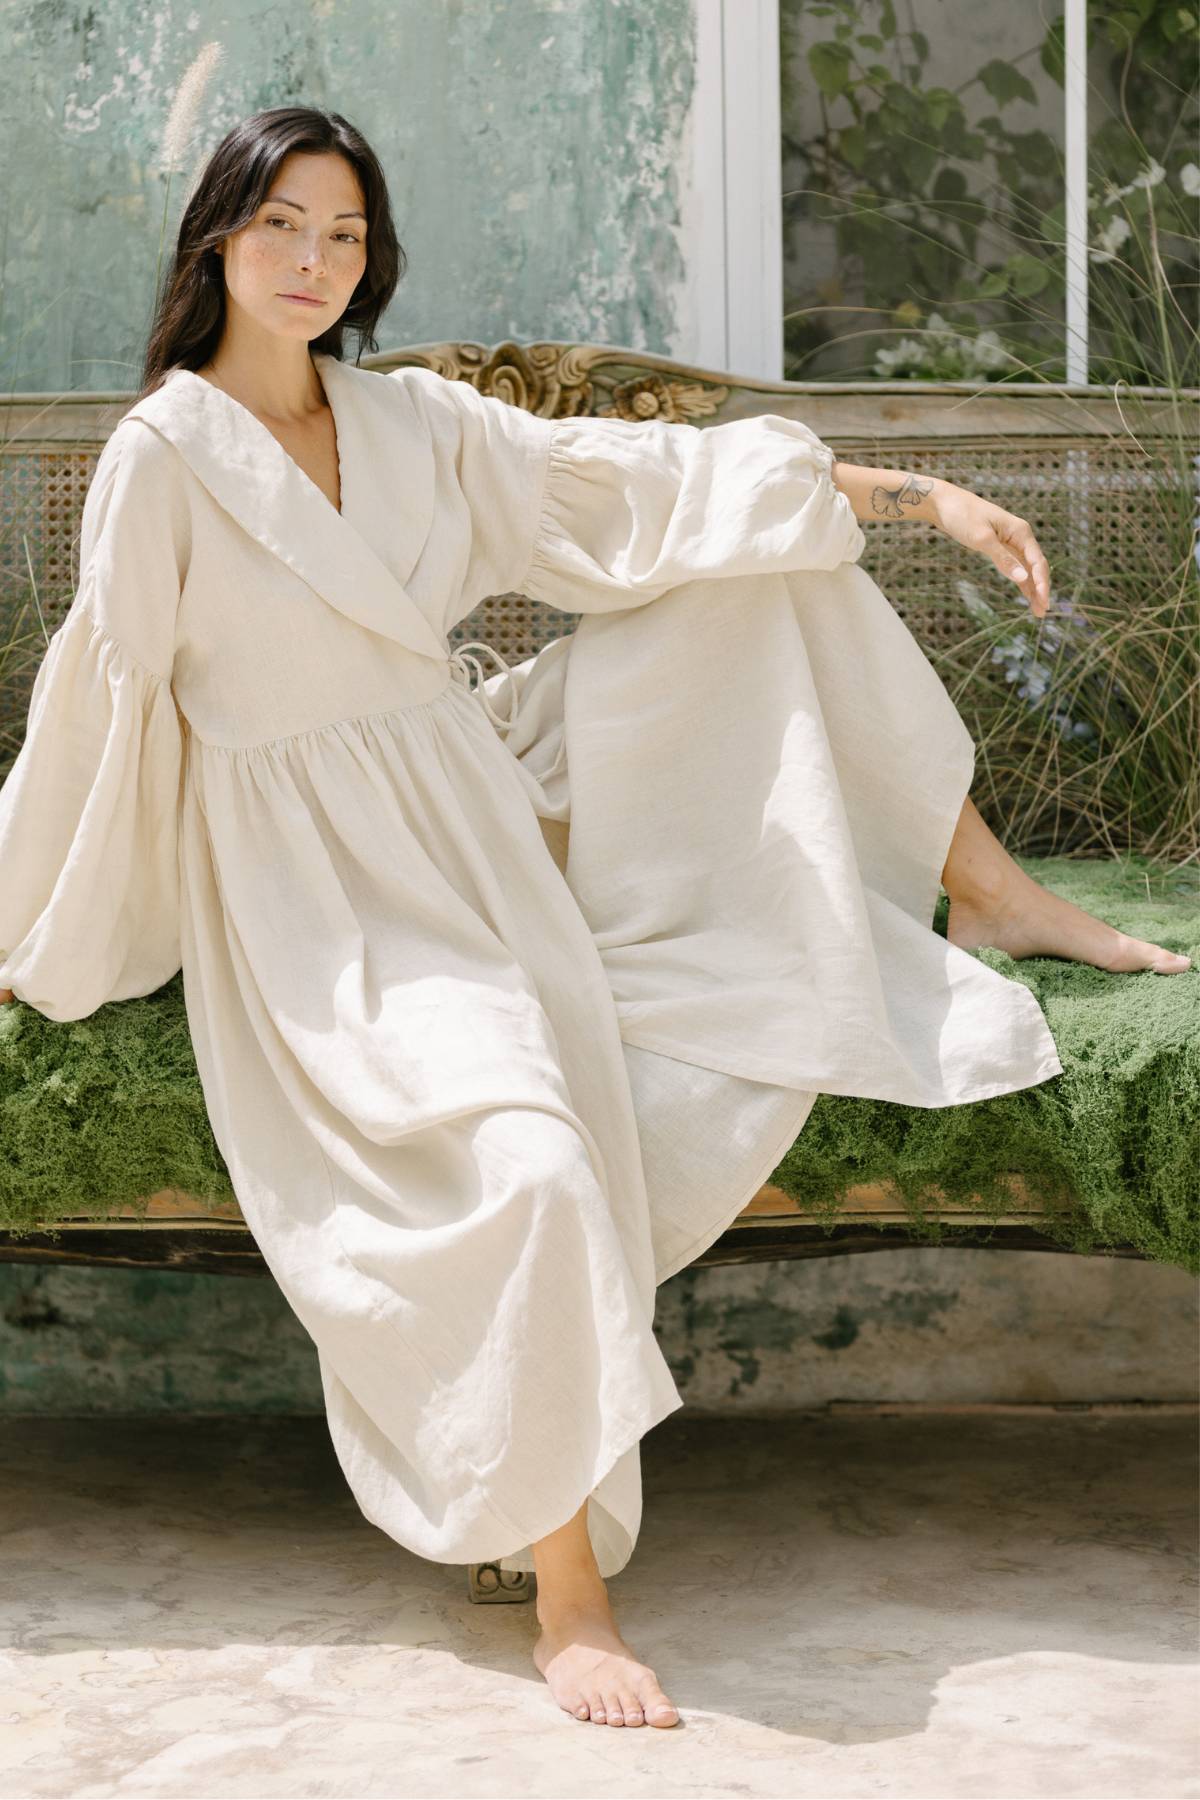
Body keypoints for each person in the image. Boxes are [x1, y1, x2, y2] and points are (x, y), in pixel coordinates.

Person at [0, 105, 1188, 1735]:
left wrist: (918, 495)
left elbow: (645, 484)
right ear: (216, 235)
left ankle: (994, 890)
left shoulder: (406, 420)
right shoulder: (163, 459)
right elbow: (109, 712)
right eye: (282, 223)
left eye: (344, 236)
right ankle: (571, 1596)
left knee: (752, 555)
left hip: (476, 781)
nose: (312, 261)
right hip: (328, 888)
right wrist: (45, 925)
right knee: (535, 1161)